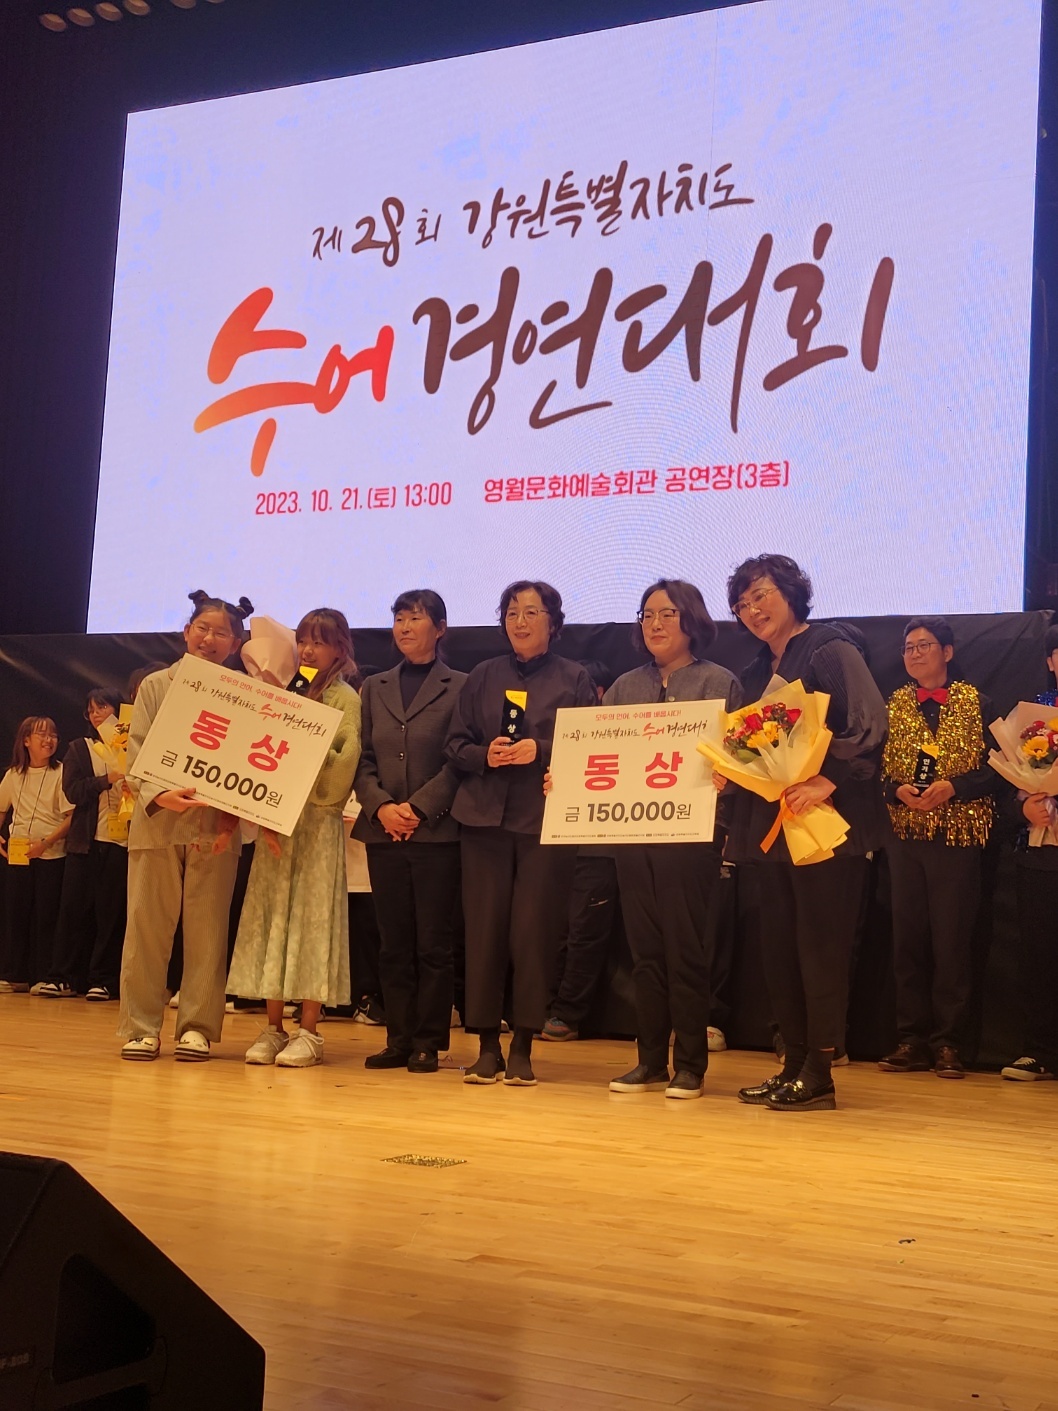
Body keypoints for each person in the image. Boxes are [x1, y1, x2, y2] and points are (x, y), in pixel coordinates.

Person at [720, 554, 888, 1112]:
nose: (752, 610)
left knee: (820, 950)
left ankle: (820, 1071)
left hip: (825, 830)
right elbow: (753, 749)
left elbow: (869, 722)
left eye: (761, 595)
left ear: (792, 593)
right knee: (780, 952)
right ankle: (792, 1063)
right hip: (773, 830)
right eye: (742, 603)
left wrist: (827, 778)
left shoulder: (828, 648)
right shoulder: (753, 672)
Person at [446, 580, 596, 1086]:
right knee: (483, 933)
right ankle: (487, 1045)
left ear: (553, 621)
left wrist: (543, 750)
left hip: (544, 823)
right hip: (483, 820)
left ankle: (525, 1045)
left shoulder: (574, 678)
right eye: (512, 612)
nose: (520, 621)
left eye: (532, 612)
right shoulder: (482, 676)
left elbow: (591, 747)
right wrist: (483, 755)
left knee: (534, 933)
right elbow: (455, 745)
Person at [600, 580, 741, 1099]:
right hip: (632, 834)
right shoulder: (623, 687)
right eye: (647, 615)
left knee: (685, 949)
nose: (655, 624)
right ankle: (650, 1060)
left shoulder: (718, 683)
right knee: (644, 951)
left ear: (692, 620)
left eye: (667, 614)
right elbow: (601, 756)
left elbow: (741, 760)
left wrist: (730, 780)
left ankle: (690, 1065)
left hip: (691, 836)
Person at [118, 590, 253, 1061]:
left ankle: (197, 1026)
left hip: (216, 825)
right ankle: (140, 1026)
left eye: (221, 633)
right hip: (158, 822)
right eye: (202, 629)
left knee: (208, 931)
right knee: (146, 928)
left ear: (236, 643)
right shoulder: (156, 686)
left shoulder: (245, 695)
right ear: (186, 632)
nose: (209, 639)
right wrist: (159, 794)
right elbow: (136, 750)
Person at [228, 609, 362, 1068]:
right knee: (271, 918)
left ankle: (310, 1030)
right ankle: (273, 1027)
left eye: (319, 641)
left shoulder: (345, 698)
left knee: (311, 921)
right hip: (276, 820)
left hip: (317, 823)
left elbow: (345, 763)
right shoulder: (287, 691)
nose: (308, 650)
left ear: (339, 649)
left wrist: (310, 748)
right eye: (303, 640)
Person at [354, 590, 466, 1074]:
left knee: (433, 944)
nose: (404, 627)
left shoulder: (461, 686)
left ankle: (428, 1042)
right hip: (383, 832)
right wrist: (381, 807)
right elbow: (363, 759)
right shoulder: (374, 686)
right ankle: (398, 1038)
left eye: (415, 618)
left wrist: (417, 808)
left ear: (439, 628)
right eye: (399, 618)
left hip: (436, 833)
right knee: (393, 942)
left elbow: (459, 760)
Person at [879, 618, 996, 1078]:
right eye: (908, 647)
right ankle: (911, 1040)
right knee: (907, 940)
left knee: (952, 941)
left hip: (958, 836)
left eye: (924, 645)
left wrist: (956, 787)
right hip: (905, 837)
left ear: (947, 652)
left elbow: (1000, 769)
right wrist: (895, 791)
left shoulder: (977, 702)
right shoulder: (891, 705)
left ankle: (948, 1042)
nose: (914, 654)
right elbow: (873, 771)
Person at [542, 659, 619, 1045]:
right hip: (554, 838)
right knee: (548, 929)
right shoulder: (556, 731)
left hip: (600, 844)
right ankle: (538, 1006)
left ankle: (567, 1013)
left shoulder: (618, 728)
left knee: (584, 931)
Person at [41, 688, 130, 1001]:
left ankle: (103, 980)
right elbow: (73, 792)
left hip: (120, 842)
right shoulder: (80, 748)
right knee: (72, 911)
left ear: (118, 710)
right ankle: (61, 977)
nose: (96, 715)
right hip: (85, 843)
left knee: (111, 915)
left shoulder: (133, 746)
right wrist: (106, 780)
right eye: (91, 710)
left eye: (102, 707)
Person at [1001, 623, 1058, 1082]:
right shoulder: (1032, 717)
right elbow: (1004, 788)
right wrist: (1025, 808)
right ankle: (1040, 1050)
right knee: (1040, 954)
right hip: (1040, 852)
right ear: (1051, 660)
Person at [0, 718, 74, 993]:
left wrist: (46, 842)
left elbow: (72, 816)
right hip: (18, 854)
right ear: (26, 740)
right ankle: (15, 975)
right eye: (42, 734)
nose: (49, 740)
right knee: (15, 915)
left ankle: (45, 975)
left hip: (52, 853)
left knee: (47, 916)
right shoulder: (13, 774)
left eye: (53, 735)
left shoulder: (62, 772)